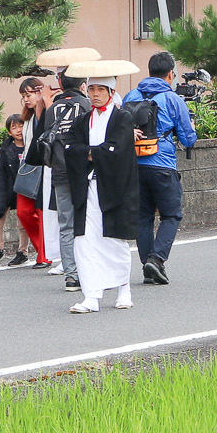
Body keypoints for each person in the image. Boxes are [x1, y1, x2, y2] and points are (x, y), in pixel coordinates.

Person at [66, 62, 142, 314]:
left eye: (101, 89)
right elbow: (70, 148)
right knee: (84, 242)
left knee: (114, 240)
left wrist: (89, 153)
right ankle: (92, 295)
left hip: (113, 188)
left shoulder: (122, 118)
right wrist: (91, 153)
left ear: (111, 92)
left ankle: (124, 289)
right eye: (92, 89)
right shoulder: (82, 120)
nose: (95, 94)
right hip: (87, 188)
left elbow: (118, 150)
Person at [123, 51, 198, 286]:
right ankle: (156, 259)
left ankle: (148, 265)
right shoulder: (173, 99)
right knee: (171, 215)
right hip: (162, 164)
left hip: (134, 165)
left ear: (148, 72)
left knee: (143, 217)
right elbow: (188, 139)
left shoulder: (131, 95)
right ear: (170, 74)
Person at [44, 72, 92, 292]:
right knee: (89, 222)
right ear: (83, 85)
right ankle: (89, 271)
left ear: (62, 85)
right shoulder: (87, 105)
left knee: (66, 224)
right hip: (83, 171)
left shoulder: (53, 109)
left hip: (59, 172)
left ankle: (71, 276)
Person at [18, 76, 60, 270]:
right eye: (23, 96)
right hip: (29, 167)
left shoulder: (49, 110)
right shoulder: (27, 118)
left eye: (30, 94)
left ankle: (45, 255)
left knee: (43, 211)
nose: (27, 99)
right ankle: (42, 249)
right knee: (23, 211)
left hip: (47, 165)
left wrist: (46, 102)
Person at [0, 113, 31, 266]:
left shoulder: (32, 146)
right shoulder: (5, 150)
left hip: (25, 189)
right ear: (9, 132)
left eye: (21, 126)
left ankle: (22, 252)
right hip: (7, 188)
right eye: (14, 127)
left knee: (22, 222)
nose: (19, 130)